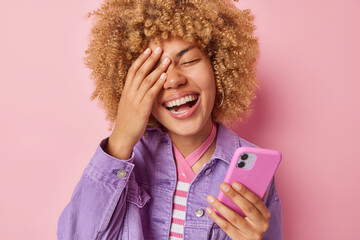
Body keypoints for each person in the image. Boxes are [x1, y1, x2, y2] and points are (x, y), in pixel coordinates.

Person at [57, 0, 282, 239]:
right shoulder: (121, 160)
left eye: (189, 61)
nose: (173, 80)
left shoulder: (253, 171)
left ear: (218, 67)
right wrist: (121, 138)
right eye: (153, 69)